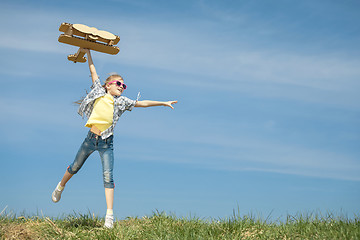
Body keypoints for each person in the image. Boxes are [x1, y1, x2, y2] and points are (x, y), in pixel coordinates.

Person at [51, 49, 177, 228]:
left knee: (108, 177)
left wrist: (163, 102)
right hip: (90, 140)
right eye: (118, 84)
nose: (121, 87)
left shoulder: (122, 101)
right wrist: (87, 52)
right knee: (74, 167)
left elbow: (141, 103)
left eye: (123, 86)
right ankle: (60, 187)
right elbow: (93, 71)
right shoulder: (98, 91)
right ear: (108, 85)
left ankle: (109, 216)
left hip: (106, 143)